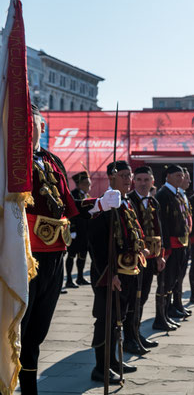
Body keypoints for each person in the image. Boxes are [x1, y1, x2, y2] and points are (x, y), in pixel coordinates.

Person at [19, 105, 83, 393]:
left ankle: (29, 387)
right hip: (23, 254)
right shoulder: (9, 158)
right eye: (23, 124)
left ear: (42, 128)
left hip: (55, 253)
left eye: (33, 124)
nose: (29, 130)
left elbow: (69, 206)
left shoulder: (52, 159)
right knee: (17, 326)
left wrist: (98, 206)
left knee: (38, 329)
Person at [88, 160, 148, 383]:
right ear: (110, 177)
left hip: (127, 271)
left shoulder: (126, 202)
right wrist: (109, 273)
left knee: (118, 319)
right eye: (122, 175)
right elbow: (96, 242)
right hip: (108, 274)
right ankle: (100, 367)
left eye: (128, 174)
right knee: (105, 320)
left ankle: (113, 361)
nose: (127, 179)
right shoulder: (105, 204)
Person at [127, 166, 167, 350]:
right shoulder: (128, 201)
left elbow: (159, 229)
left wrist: (160, 255)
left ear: (152, 181)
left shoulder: (153, 201)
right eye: (139, 179)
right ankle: (129, 337)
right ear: (134, 181)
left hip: (151, 257)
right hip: (134, 259)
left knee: (143, 297)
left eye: (146, 180)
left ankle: (137, 332)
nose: (143, 183)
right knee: (133, 297)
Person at [155, 164, 190, 327]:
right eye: (177, 175)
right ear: (168, 176)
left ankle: (168, 310)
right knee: (166, 281)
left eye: (182, 176)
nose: (181, 178)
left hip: (181, 243)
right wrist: (166, 248)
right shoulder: (163, 195)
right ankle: (161, 316)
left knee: (174, 279)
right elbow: (163, 224)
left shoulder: (176, 194)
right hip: (171, 245)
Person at [64, 171, 92, 288]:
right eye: (86, 183)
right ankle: (69, 279)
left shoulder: (87, 196)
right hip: (75, 232)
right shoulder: (74, 195)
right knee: (71, 255)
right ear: (79, 184)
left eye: (89, 184)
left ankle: (80, 277)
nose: (89, 186)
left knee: (82, 255)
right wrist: (72, 229)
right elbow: (71, 213)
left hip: (85, 231)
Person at [172, 168, 193, 318]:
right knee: (173, 278)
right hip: (176, 242)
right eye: (186, 178)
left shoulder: (183, 195)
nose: (187, 181)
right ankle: (171, 307)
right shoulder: (173, 195)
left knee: (180, 275)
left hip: (185, 240)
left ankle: (178, 304)